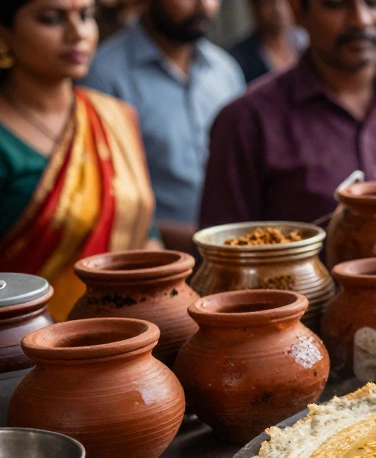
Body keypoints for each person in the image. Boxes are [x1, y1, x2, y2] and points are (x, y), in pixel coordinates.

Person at [199, 0, 376, 230]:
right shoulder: (246, 122)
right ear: (298, 11)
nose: (360, 20)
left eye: (375, 3)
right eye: (337, 4)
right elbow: (222, 258)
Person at [0, 0, 155, 319]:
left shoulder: (115, 118)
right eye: (51, 19)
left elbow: (146, 237)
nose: (77, 33)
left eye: (85, 16)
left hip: (129, 334)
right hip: (23, 345)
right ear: (6, 34)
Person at [82, 0, 244, 252]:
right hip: (149, 260)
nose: (204, 6)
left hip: (232, 253)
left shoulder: (224, 70)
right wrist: (199, 241)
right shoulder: (102, 77)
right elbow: (98, 200)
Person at [228, 0, 306, 85]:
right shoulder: (238, 60)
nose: (278, 9)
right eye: (269, 3)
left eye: (285, 2)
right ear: (254, 7)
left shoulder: (307, 43)